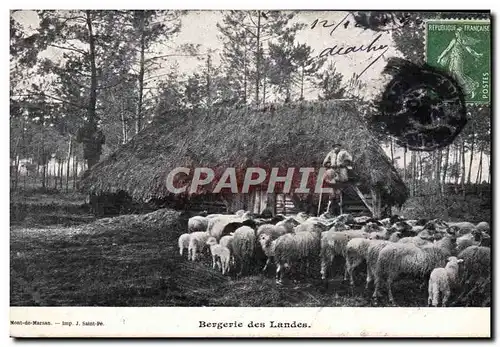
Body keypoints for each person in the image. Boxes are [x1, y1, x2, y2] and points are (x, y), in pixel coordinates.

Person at [322, 143, 353, 215]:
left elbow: (349, 160)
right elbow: (325, 162)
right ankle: (331, 205)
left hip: (341, 170)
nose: (336, 148)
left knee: (339, 185)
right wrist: (329, 164)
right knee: (331, 185)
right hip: (333, 170)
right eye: (334, 146)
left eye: (337, 146)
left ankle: (339, 206)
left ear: (340, 147)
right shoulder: (331, 153)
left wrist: (343, 164)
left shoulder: (344, 152)